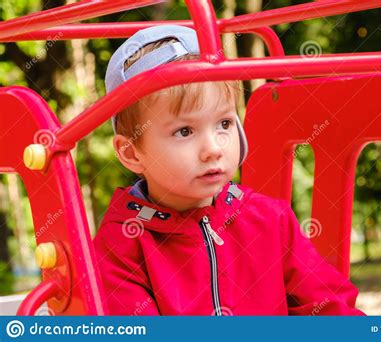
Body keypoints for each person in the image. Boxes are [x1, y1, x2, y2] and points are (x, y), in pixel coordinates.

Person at [93, 25, 364, 316]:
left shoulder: (271, 220)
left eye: (224, 123)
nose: (213, 148)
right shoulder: (122, 243)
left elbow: (331, 309)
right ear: (132, 152)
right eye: (184, 131)